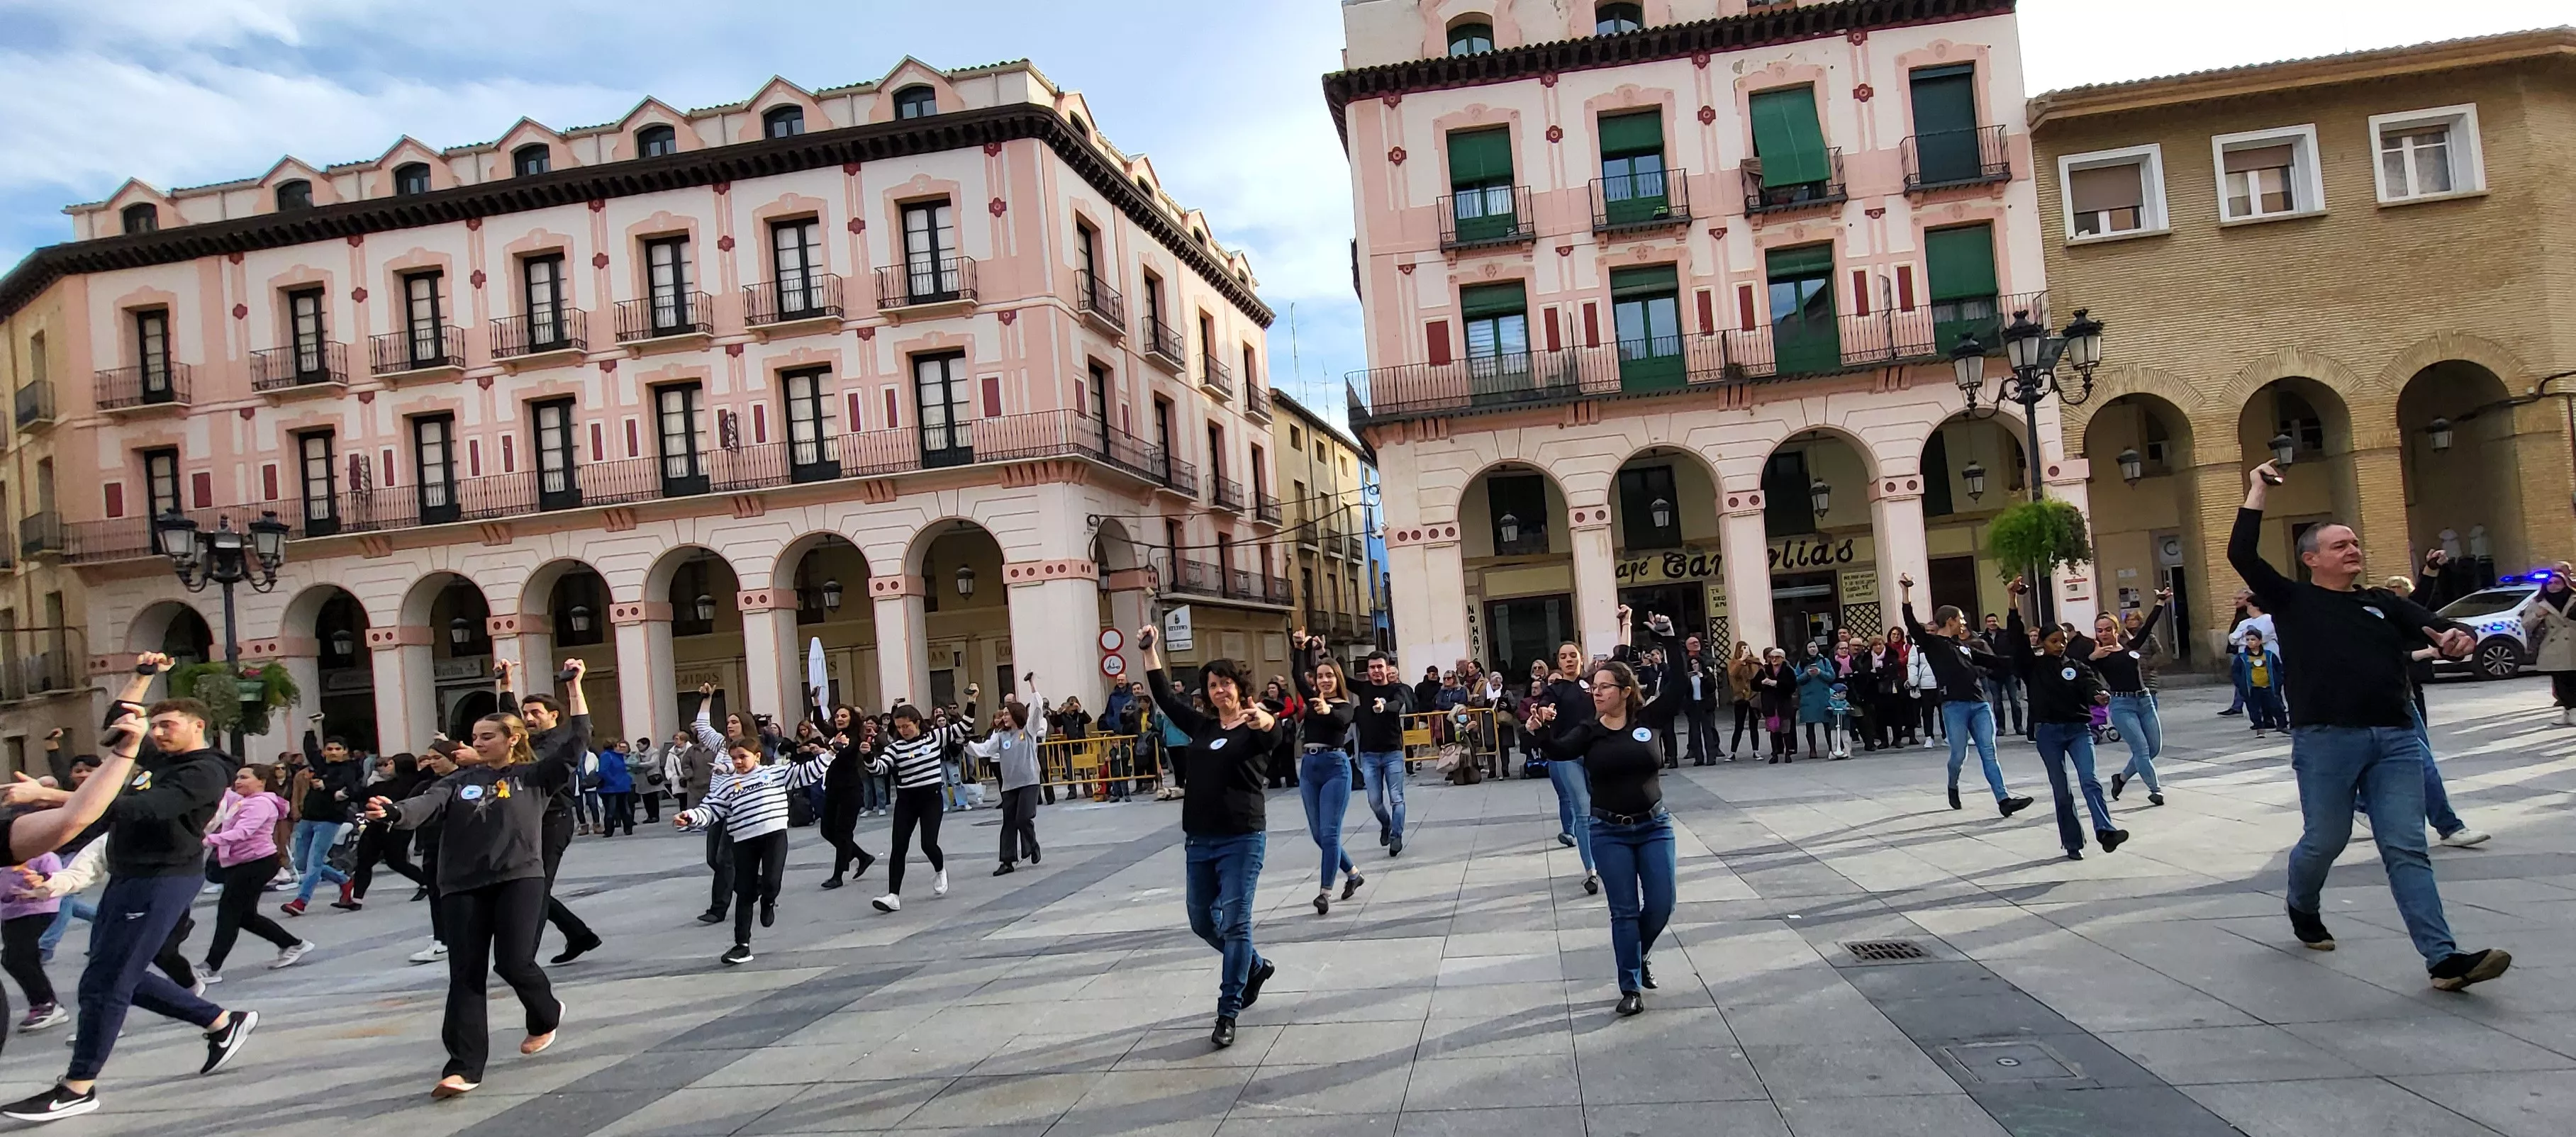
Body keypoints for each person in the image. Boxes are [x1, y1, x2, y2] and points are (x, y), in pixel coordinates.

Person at [2232, 458, 2509, 992]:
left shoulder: (2382, 602)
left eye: (2354, 542)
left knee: (2406, 847)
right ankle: (2301, 904)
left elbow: (2435, 625)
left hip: (2396, 738)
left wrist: (2454, 638)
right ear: (2310, 559)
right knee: (2325, 839)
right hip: (2326, 740)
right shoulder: (2291, 599)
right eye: (2339, 545)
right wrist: (2256, 490)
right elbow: (2241, 554)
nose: (2352, 549)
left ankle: (2443, 959)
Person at [0, 660, 260, 1125]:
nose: (157, 733)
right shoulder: (160, 759)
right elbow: (119, 728)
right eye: (154, 725)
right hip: (129, 876)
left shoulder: (205, 770)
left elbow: (146, 810)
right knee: (118, 974)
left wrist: (55, 799)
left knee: (104, 983)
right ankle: (221, 1021)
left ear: (197, 725)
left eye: (168, 725)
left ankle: (78, 1087)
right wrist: (140, 677)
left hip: (162, 879)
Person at [363, 668, 585, 1099]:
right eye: (475, 737)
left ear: (511, 740)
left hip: (519, 877)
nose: (476, 744)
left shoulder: (535, 777)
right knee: (465, 975)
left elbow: (576, 744)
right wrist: (392, 813)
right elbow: (423, 804)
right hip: (461, 884)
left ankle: (545, 1013)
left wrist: (575, 689)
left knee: (513, 962)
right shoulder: (458, 780)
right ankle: (463, 1067)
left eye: (486, 737)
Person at [1525, 606, 1683, 1018]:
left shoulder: (1648, 719)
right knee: (1624, 911)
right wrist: (1539, 730)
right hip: (1608, 831)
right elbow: (1559, 750)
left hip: (1654, 826)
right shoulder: (1589, 731)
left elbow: (1681, 686)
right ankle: (1629, 985)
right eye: (1593, 687)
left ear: (1626, 690)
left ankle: (1639, 953)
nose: (1595, 693)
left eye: (1604, 687)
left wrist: (1668, 639)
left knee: (1662, 903)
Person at [1137, 624, 1281, 1049]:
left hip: (1242, 838)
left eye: (1226, 684)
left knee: (1236, 923)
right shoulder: (1201, 727)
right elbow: (1164, 697)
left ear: (1239, 688)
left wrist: (1266, 718)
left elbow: (1274, 734)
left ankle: (1227, 1012)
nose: (1220, 691)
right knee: (1202, 921)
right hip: (1199, 840)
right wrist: (1150, 651)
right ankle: (1254, 966)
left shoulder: (1254, 725)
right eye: (1213, 686)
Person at [675, 685, 836, 963]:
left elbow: (806, 772)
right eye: (734, 759)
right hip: (743, 839)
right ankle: (742, 945)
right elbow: (712, 808)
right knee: (745, 891)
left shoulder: (773, 774)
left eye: (742, 758)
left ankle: (770, 900)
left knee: (771, 882)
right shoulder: (727, 783)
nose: (737, 762)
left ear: (757, 757)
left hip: (773, 835)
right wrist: (690, 817)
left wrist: (830, 754)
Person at [2002, 591, 2129, 861]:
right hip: (2048, 733)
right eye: (2053, 641)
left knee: (2090, 781)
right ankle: (2072, 843)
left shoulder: (2077, 666)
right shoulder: (2032, 666)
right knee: (2062, 791)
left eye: (2062, 641)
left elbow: (2090, 685)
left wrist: (2099, 695)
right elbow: (2016, 638)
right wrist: (2013, 602)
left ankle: (2105, 831)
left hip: (2077, 731)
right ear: (2044, 643)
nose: (2059, 646)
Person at [494, 660, 602, 966]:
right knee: (525, 885)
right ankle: (579, 934)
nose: (528, 718)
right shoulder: (525, 738)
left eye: (535, 713)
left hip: (554, 820)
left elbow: (583, 726)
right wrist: (506, 682)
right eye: (526, 713)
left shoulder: (561, 740)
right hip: (527, 820)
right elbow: (508, 720)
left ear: (554, 715)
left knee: (536, 888)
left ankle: (524, 959)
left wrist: (575, 685)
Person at [1900, 575, 2033, 817]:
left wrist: (2028, 658)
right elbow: (1911, 623)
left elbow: (1994, 661)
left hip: (1979, 705)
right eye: (1960, 619)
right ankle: (1953, 784)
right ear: (1950, 620)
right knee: (1959, 754)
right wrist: (1906, 593)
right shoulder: (1931, 643)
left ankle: (2004, 800)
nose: (1963, 623)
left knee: (1988, 751)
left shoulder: (1964, 647)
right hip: (1954, 706)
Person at [196, 763, 311, 982]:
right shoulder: (241, 800)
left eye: (244, 777)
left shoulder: (260, 804)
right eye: (237, 777)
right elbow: (221, 798)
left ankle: (211, 967)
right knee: (245, 916)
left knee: (228, 913)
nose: (238, 781)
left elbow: (243, 832)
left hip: (257, 863)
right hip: (244, 863)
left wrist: (207, 841)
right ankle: (292, 944)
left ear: (261, 782)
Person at [1288, 633, 1366, 914]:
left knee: (1330, 834)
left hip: (1335, 767)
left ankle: (1325, 892)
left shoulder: (1345, 705)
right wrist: (1299, 648)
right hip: (1309, 769)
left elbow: (1341, 720)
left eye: (1329, 676)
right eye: (1320, 676)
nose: (1324, 680)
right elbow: (1298, 677)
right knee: (1319, 836)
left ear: (1338, 680)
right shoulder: (1311, 698)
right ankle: (1354, 874)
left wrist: (1326, 709)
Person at [863, 703, 952, 913]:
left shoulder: (934, 738)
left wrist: (973, 702)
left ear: (917, 723)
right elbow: (880, 768)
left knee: (928, 844)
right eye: (899, 727)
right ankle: (893, 895)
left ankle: (940, 870)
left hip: (931, 798)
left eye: (906, 726)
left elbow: (963, 727)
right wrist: (868, 756)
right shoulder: (895, 748)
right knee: (899, 847)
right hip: (906, 800)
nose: (903, 731)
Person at [2087, 590, 2170, 807]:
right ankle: (2156, 790)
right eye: (2099, 630)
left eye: (2108, 629)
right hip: (2122, 705)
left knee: (2155, 749)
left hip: (2145, 701)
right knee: (2141, 750)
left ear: (2116, 630)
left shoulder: (2129, 647)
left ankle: (2121, 778)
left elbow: (2149, 625)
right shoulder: (2097, 655)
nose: (2103, 633)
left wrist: (2160, 601)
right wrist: (2092, 659)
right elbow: (2080, 672)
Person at [1531, 640, 1601, 893]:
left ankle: (1606, 859)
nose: (1569, 660)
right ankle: (1591, 870)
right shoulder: (1555, 689)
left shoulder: (1593, 684)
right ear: (1558, 662)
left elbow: (1621, 661)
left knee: (1601, 810)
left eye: (1573, 655)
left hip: (1596, 753)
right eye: (1563, 657)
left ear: (1581, 658)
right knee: (1583, 812)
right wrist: (1543, 713)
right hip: (1569, 755)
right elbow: (1542, 706)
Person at [966, 677, 1047, 876]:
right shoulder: (1000, 736)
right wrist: (966, 744)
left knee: (1023, 818)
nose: (1004, 717)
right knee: (1008, 822)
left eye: (1007, 714)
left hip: (1029, 782)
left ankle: (1032, 845)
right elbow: (983, 750)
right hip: (1009, 786)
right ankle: (1007, 861)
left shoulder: (1027, 731)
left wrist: (1032, 686)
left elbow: (1037, 710)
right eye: (1003, 714)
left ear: (1016, 715)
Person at [279, 732, 363, 917]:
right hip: (309, 817)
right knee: (302, 862)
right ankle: (344, 881)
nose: (333, 752)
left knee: (315, 861)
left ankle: (301, 901)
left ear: (345, 751)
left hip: (329, 819)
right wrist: (311, 727)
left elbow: (353, 788)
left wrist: (329, 788)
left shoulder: (350, 768)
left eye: (338, 749)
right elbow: (310, 750)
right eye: (329, 749)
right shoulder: (321, 764)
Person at [1347, 651, 1415, 857]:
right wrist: (1321, 652)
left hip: (1393, 753)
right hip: (1369, 755)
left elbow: (1398, 705)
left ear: (1387, 668)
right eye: (1372, 667)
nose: (1376, 671)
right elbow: (1340, 676)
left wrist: (1383, 706)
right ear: (1368, 671)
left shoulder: (1397, 689)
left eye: (1380, 667)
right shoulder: (1363, 688)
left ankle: (1397, 836)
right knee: (1375, 801)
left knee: (1397, 798)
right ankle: (1386, 824)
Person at [345, 753, 431, 908]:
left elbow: (439, 765)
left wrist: (444, 746)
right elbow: (361, 794)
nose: (385, 768)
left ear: (400, 765)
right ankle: (356, 899)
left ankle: (427, 882)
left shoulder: (416, 782)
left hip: (399, 828)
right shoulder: (381, 784)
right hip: (376, 827)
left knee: (396, 862)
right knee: (364, 861)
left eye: (390, 764)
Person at [2, 848, 70, 1035]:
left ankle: (47, 1004)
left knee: (16, 959)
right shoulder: (8, 855)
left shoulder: (45, 856)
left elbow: (57, 881)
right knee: (22, 958)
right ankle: (43, 1003)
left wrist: (35, 892)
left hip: (37, 910)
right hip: (11, 913)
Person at [815, 707, 879, 890]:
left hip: (850, 791)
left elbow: (843, 752)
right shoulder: (836, 733)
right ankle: (861, 856)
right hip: (833, 789)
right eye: (837, 716)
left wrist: (825, 749)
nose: (839, 719)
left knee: (843, 833)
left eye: (844, 716)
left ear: (852, 719)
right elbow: (820, 723)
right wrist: (815, 702)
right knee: (827, 830)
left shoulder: (853, 738)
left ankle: (838, 876)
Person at [2531, 565, 2576, 727]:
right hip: (2553, 645)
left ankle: (2572, 711)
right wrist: (2538, 615)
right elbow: (2526, 624)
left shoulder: (2574, 599)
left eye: (2557, 583)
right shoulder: (2538, 602)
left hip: (2573, 643)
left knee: (2572, 679)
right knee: (2560, 681)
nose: (2553, 586)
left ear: (2565, 584)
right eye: (2550, 583)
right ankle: (2569, 711)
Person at [1980, 614, 2027, 738]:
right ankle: (2000, 727)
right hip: (1993, 674)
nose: (1992, 623)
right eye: (1989, 621)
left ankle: (2019, 727)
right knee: (1997, 702)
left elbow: (2014, 651)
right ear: (1986, 623)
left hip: (2009, 672)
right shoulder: (1983, 639)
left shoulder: (2006, 635)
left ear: (1998, 622)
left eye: (1994, 621)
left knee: (2015, 701)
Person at [1796, 643, 1841, 759]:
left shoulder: (1825, 661)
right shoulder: (1802, 662)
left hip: (1823, 696)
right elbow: (1797, 679)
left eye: (1814, 647)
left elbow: (1832, 676)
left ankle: (1832, 748)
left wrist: (1820, 673)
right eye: (1810, 647)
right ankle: (1812, 750)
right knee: (1810, 725)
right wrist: (1807, 674)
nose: (1812, 649)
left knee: (1827, 724)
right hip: (1808, 697)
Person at [2238, 630, 2285, 737]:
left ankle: (2282, 725)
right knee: (2255, 709)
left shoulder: (2269, 656)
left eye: (2253, 639)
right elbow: (2236, 673)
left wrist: (2278, 682)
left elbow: (2279, 670)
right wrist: (2241, 685)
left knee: (2276, 706)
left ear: (2260, 641)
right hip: (2253, 688)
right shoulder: (2242, 658)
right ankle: (2259, 728)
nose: (2250, 642)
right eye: (2248, 640)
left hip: (2268, 686)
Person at [1753, 647, 1797, 761]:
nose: (1773, 659)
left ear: (1782, 658)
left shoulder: (1788, 670)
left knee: (1786, 730)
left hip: (1784, 703)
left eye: (1776, 657)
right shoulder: (1764, 670)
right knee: (1773, 731)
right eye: (1771, 657)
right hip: (1770, 705)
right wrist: (1762, 683)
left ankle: (1788, 753)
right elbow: (1754, 685)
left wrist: (1777, 683)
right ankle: (1774, 754)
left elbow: (1792, 686)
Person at [594, 740, 635, 836]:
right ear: (614, 746)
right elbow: (603, 771)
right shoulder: (607, 756)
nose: (620, 748)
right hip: (611, 787)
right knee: (611, 810)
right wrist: (612, 781)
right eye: (618, 746)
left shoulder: (615, 756)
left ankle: (628, 829)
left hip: (620, 785)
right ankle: (610, 830)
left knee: (624, 808)